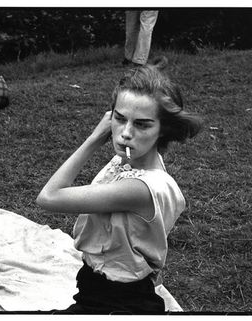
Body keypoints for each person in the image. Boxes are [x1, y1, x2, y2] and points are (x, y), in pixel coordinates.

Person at [36, 57, 202, 313]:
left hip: (120, 301)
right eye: (119, 118)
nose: (125, 132)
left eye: (142, 124)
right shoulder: (127, 161)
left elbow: (48, 197)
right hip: (95, 284)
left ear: (163, 130)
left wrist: (93, 139)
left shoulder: (140, 187)